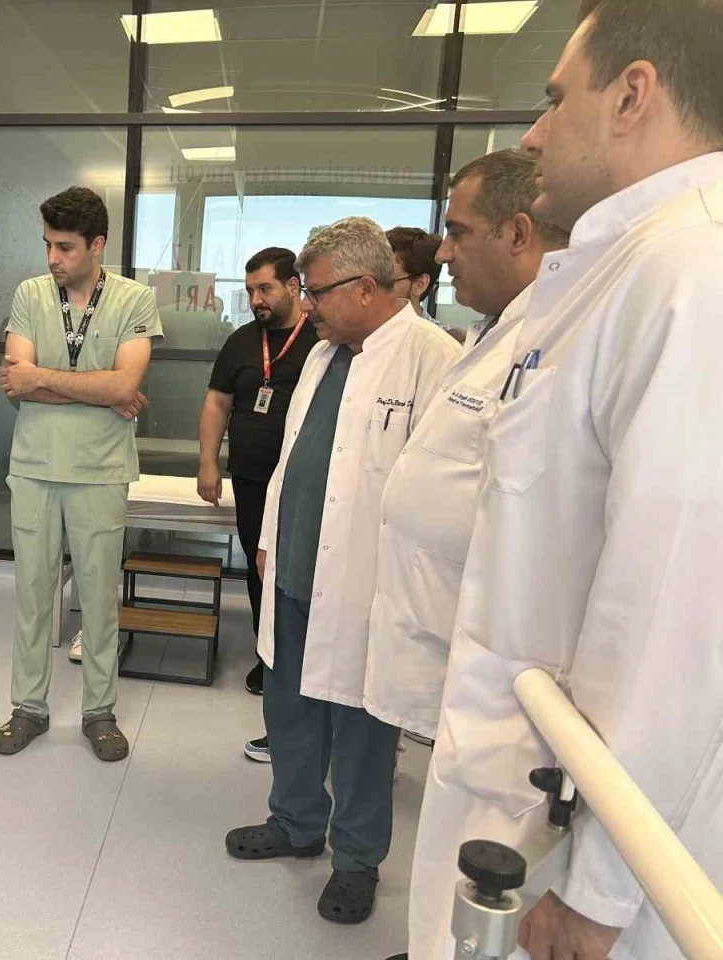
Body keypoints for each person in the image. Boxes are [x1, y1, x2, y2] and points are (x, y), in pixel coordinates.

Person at [406, 1, 723, 958]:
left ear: (632, 96)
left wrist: (598, 891)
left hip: (591, 845)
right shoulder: (617, 268)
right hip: (524, 780)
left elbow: (678, 614)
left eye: (553, 99)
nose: (535, 136)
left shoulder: (694, 273)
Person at [224, 218, 460, 924]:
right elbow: (293, 458)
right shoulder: (325, 355)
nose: (308, 303)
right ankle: (296, 821)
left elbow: (439, 493)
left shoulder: (431, 358)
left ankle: (357, 859)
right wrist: (269, 537)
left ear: (363, 287)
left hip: (369, 584)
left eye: (318, 291)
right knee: (288, 705)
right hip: (294, 568)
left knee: (363, 726)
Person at [365, 149, 568, 745]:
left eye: (457, 232)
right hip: (435, 629)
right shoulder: (492, 333)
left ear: (517, 233)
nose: (444, 253)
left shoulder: (556, 341)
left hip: (488, 654)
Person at [0, 186, 161, 762]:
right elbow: (14, 383)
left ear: (97, 244)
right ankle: (28, 709)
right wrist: (100, 390)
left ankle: (99, 712)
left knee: (98, 596)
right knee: (33, 595)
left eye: (64, 247)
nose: (52, 258)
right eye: (48, 244)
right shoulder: (30, 294)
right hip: (34, 467)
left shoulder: (135, 300)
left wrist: (46, 378)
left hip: (100, 470)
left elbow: (124, 384)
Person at [195, 247, 319, 759]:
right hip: (250, 478)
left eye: (265, 288)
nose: (256, 300)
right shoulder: (241, 342)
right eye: (249, 291)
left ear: (293, 286)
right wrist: (208, 462)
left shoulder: (322, 339)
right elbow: (217, 402)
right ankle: (266, 658)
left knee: (299, 573)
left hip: (304, 485)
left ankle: (303, 665)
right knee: (259, 570)